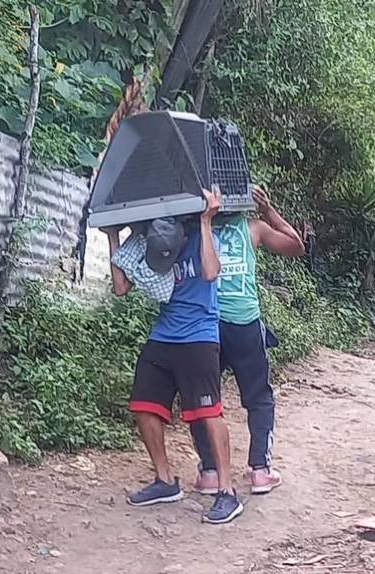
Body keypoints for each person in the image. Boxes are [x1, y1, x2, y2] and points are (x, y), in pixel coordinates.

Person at [103, 189, 244, 525]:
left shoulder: (198, 236)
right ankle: (165, 481)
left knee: (209, 413)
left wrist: (206, 222)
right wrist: (113, 236)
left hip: (199, 336)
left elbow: (210, 273)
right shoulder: (153, 238)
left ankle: (227, 492)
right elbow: (121, 287)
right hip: (164, 334)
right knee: (143, 405)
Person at [190, 185, 305, 496]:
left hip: (207, 326)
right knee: (259, 398)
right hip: (244, 323)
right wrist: (267, 209)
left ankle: (210, 472)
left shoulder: (198, 224)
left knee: (203, 399)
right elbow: (296, 246)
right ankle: (260, 470)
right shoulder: (254, 228)